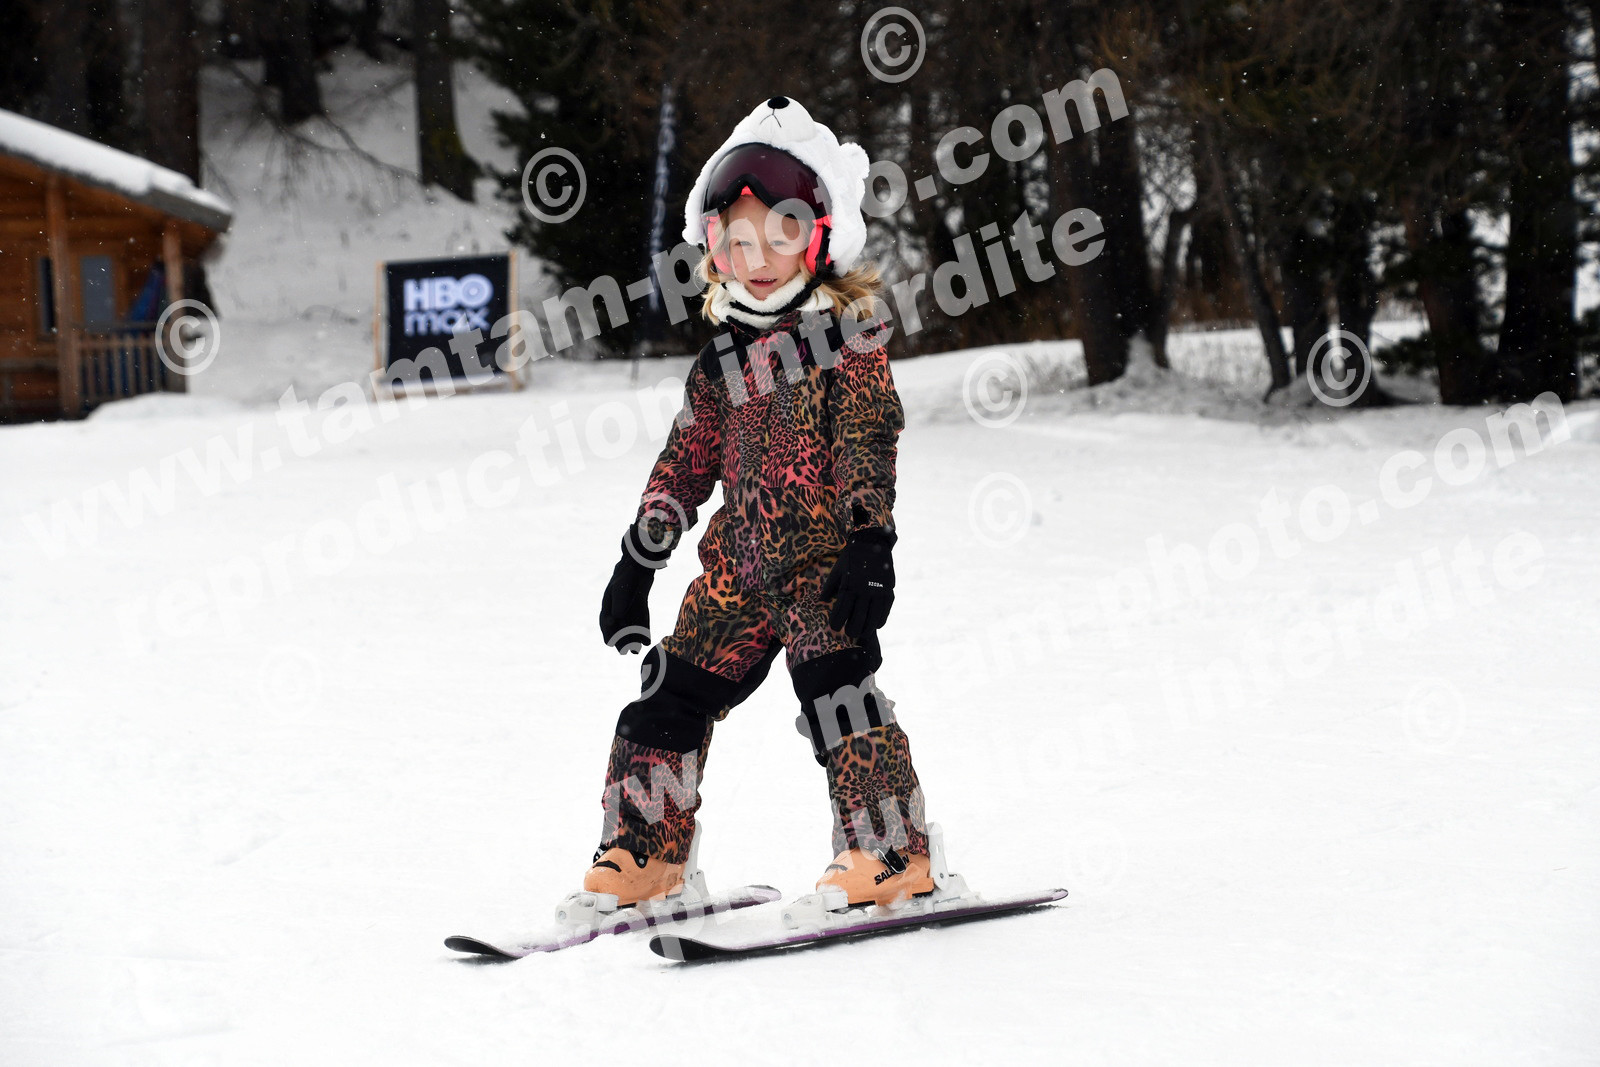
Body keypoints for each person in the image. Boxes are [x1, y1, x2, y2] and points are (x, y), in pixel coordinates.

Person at [586, 96, 931, 910]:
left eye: (780, 235)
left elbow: (866, 440)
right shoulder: (719, 364)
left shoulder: (847, 341)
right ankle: (646, 855)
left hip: (823, 570)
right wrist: (638, 560)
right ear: (714, 250)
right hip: (736, 575)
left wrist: (870, 541)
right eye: (738, 242)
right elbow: (684, 464)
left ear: (819, 237)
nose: (759, 258)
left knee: (838, 696)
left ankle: (891, 852)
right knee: (667, 694)